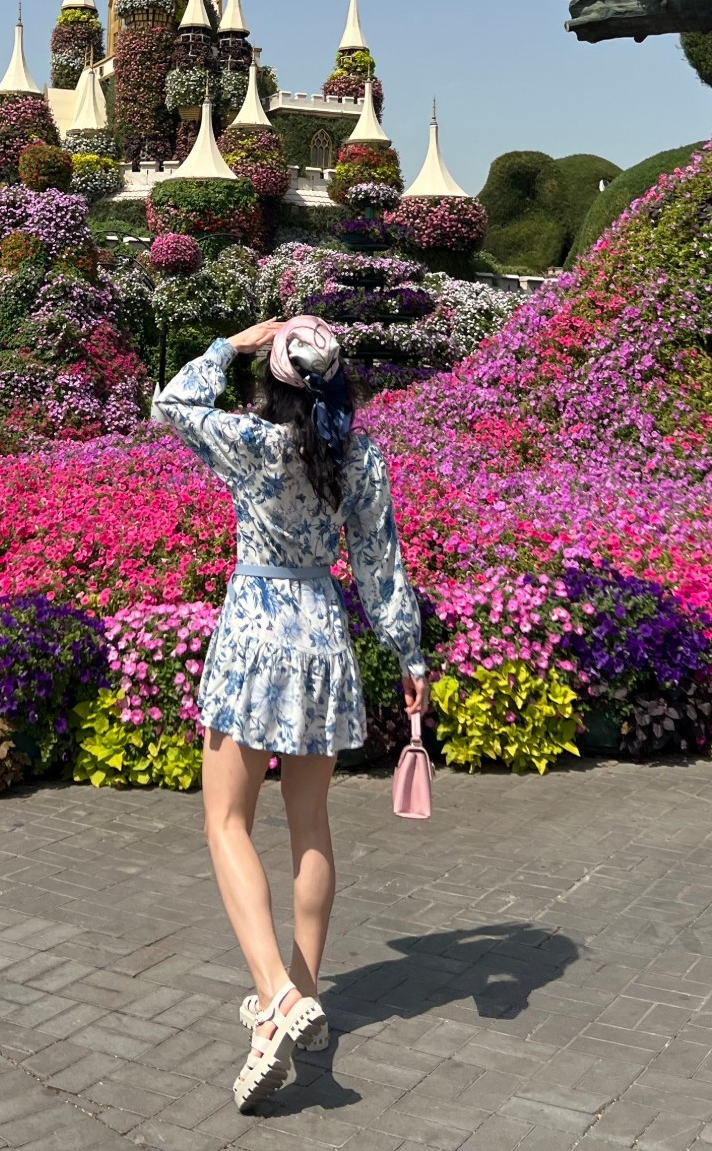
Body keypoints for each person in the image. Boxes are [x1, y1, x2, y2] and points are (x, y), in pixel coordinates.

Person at [152, 313, 428, 1113]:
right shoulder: (361, 455)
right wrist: (410, 654)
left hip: (255, 633)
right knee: (310, 826)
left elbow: (172, 404)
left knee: (226, 823)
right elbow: (381, 564)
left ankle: (275, 995)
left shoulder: (251, 443)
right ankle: (302, 997)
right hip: (322, 634)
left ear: (270, 378)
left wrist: (227, 344)